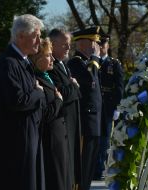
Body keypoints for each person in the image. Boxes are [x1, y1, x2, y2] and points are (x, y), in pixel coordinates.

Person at [0, 14, 46, 190]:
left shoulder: (23, 61)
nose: (40, 40)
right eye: (35, 35)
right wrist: (38, 92)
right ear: (20, 36)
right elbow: (18, 101)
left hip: (29, 135)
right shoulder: (9, 63)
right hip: (17, 142)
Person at [29, 38, 71, 190]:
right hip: (50, 140)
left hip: (59, 138)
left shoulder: (47, 76)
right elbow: (44, 113)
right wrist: (58, 101)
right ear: (37, 58)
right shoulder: (36, 79)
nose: (52, 58)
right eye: (48, 55)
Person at [67, 26, 102, 190]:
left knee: (89, 167)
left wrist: (94, 60)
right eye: (94, 42)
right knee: (82, 167)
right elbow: (89, 80)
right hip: (84, 123)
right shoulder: (76, 63)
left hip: (93, 122)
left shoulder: (89, 63)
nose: (97, 46)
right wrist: (95, 58)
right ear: (81, 43)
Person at [48, 28, 81, 190]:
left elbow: (74, 91)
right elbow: (62, 93)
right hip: (61, 124)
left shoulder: (63, 64)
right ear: (52, 45)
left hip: (70, 124)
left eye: (69, 44)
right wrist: (73, 85)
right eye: (64, 44)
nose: (68, 48)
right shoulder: (50, 65)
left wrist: (72, 87)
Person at [94, 34, 124, 180]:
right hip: (94, 106)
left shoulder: (114, 64)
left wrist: (117, 107)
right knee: (94, 137)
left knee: (105, 138)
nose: (100, 48)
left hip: (108, 105)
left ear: (107, 47)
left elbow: (119, 87)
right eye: (98, 45)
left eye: (103, 45)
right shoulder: (92, 62)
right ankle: (94, 168)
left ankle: (101, 168)